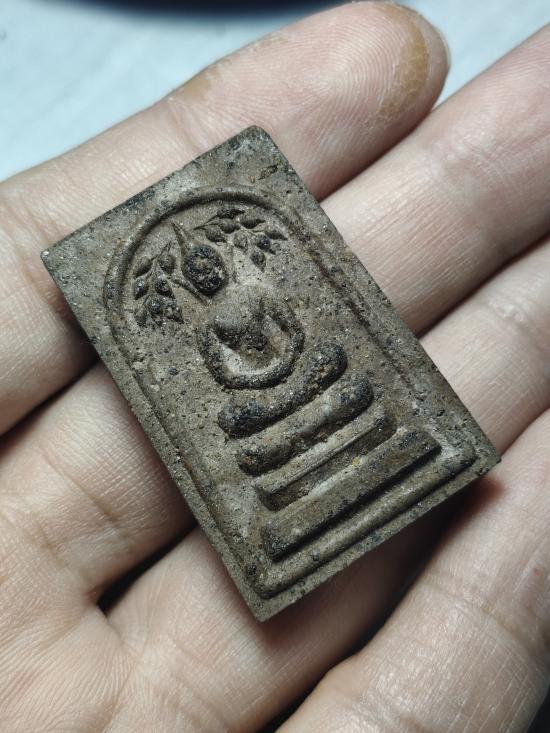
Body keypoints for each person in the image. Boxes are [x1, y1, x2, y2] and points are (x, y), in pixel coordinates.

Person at [0, 2, 548, 730]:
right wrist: (260, 386)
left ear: (219, 265)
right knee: (243, 428)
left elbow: (295, 342)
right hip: (265, 411)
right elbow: (227, 374)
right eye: (196, 276)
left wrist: (290, 371)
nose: (206, 279)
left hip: (313, 380)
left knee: (338, 370)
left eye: (209, 268)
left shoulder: (256, 290)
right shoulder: (205, 325)